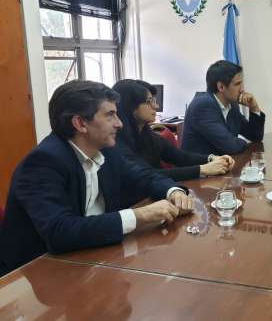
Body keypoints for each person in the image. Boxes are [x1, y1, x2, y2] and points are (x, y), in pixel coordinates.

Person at [0, 80, 192, 276]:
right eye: (110, 115)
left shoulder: (106, 151)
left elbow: (145, 176)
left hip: (93, 258)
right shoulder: (43, 162)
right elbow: (60, 232)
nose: (120, 123)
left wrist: (173, 191)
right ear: (80, 123)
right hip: (35, 276)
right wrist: (140, 215)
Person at [113, 79, 235, 181]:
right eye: (149, 101)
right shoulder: (116, 143)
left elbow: (180, 157)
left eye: (154, 101)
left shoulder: (147, 134)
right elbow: (148, 175)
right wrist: (203, 169)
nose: (156, 106)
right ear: (130, 106)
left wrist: (212, 158)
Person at [181, 60, 265, 155]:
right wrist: (243, 142)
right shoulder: (203, 106)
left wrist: (254, 108)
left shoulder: (232, 104)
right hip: (202, 167)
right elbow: (231, 146)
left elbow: (255, 136)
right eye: (237, 84)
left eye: (241, 83)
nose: (242, 89)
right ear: (221, 87)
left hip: (224, 164)